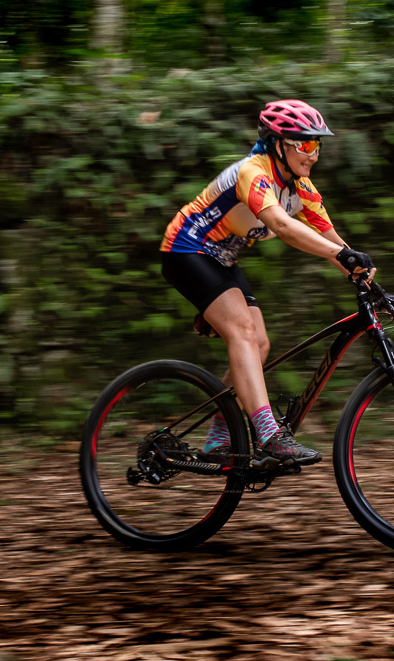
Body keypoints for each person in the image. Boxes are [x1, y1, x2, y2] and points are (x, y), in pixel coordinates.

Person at [159, 100, 375, 465]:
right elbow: (282, 226)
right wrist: (342, 256)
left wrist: (365, 278)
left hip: (222, 257)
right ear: (278, 144)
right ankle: (269, 435)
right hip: (186, 248)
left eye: (317, 145)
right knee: (243, 331)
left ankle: (219, 438)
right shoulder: (253, 172)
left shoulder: (301, 189)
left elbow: (336, 245)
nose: (313, 155)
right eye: (305, 144)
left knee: (259, 343)